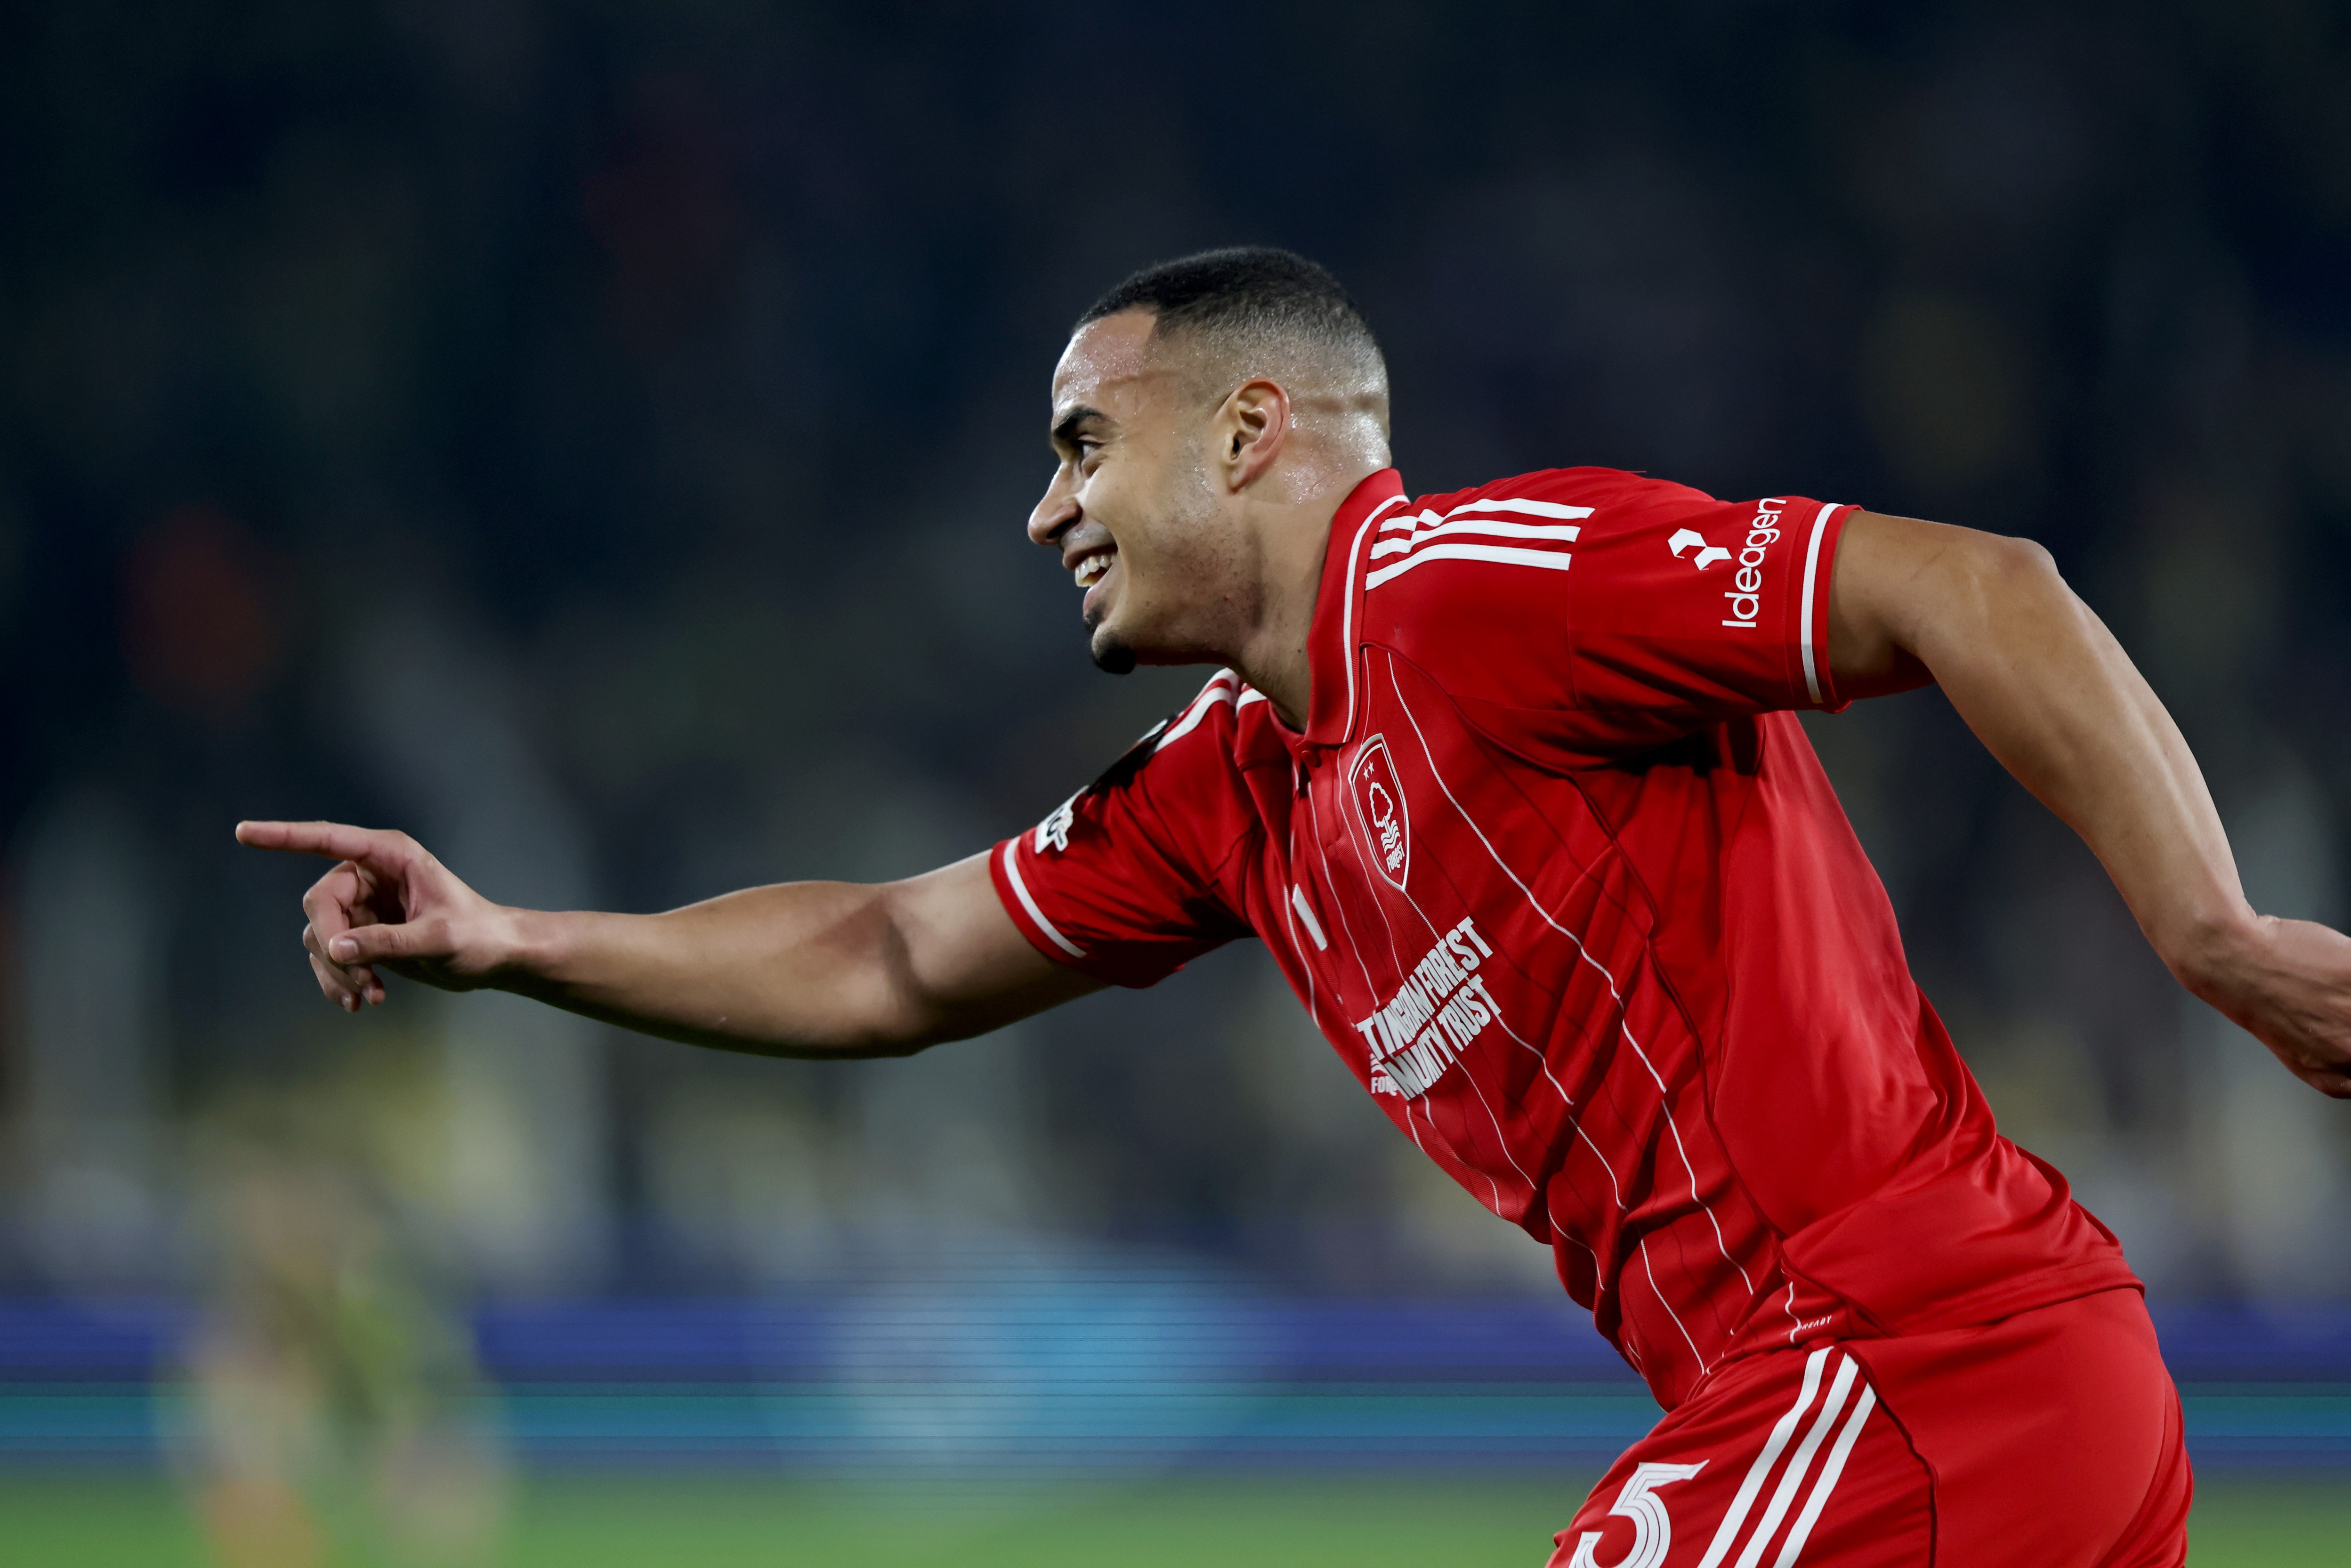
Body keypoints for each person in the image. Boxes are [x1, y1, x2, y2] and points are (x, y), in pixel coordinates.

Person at [240, 247, 2351, 1567]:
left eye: (1083, 444)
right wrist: (519, 939)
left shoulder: (1472, 586)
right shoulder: (1232, 792)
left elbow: (1975, 583)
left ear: (1252, 430)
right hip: (1890, 1416)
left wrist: (2209, 933)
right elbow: (889, 950)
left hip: (1914, 1367)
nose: (1043, 506)